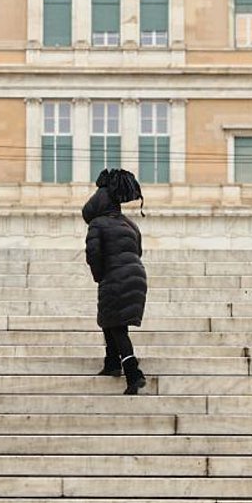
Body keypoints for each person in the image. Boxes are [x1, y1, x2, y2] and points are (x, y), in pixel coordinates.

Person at [81, 168, 148, 395]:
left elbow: (93, 254)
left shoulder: (97, 224)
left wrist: (99, 275)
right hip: (136, 274)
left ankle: (133, 372)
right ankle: (111, 363)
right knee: (111, 319)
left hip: (114, 274)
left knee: (118, 327)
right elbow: (138, 249)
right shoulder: (130, 224)